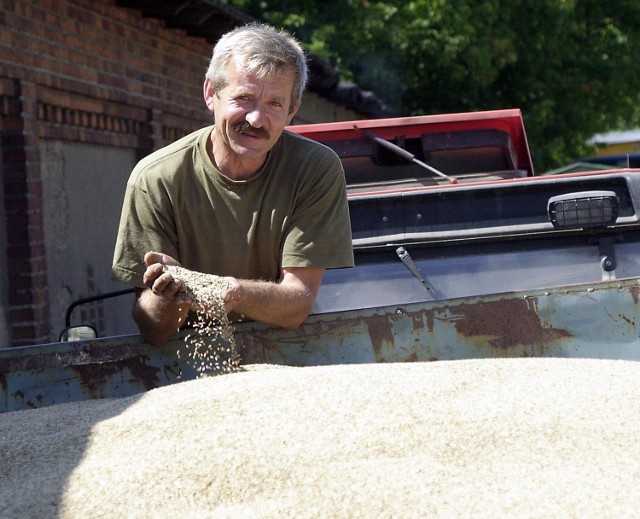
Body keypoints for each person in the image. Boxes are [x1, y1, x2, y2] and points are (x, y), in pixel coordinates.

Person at [111, 23, 354, 347]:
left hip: (291, 355)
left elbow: (297, 303)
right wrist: (169, 295)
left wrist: (231, 293)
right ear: (211, 93)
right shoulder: (157, 179)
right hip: (184, 361)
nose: (256, 119)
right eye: (244, 98)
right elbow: (154, 330)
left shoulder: (314, 169)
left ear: (292, 110)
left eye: (274, 104)